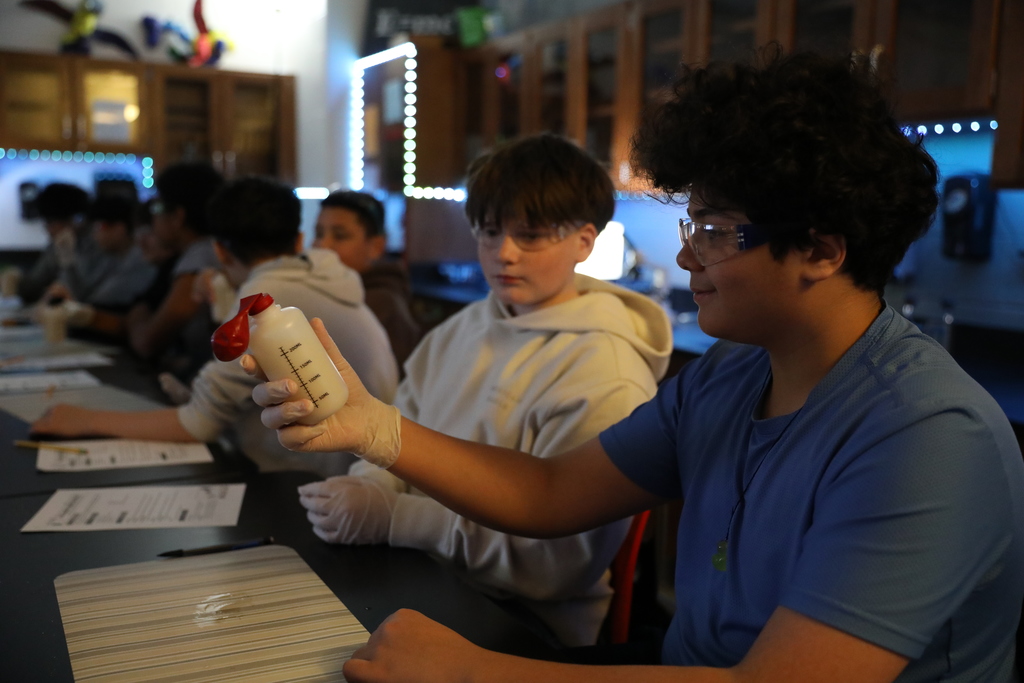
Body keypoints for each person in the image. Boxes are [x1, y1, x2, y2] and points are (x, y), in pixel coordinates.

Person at [247, 47, 1024, 682]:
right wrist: (376, 427)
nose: (686, 252)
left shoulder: (925, 436)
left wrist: (476, 672)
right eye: (694, 222)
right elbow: (550, 489)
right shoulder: (730, 375)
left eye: (716, 229)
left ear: (821, 249)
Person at [296, 133, 673, 647]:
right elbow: (396, 426)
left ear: (585, 241)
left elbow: (556, 565)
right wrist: (372, 487)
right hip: (425, 574)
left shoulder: (604, 369)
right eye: (490, 232)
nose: (504, 255)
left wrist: (398, 518)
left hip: (525, 620)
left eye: (531, 235)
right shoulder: (465, 326)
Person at [31, 176, 399, 478]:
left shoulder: (265, 298)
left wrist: (85, 418)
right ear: (300, 241)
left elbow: (199, 423)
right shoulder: (320, 280)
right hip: (373, 470)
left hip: (314, 481)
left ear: (220, 251)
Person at [124, 161, 224, 381]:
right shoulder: (210, 250)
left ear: (178, 217)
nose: (153, 218)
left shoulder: (198, 260)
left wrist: (136, 314)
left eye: (157, 208)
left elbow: (147, 343)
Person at [313, 190, 421, 369]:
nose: (322, 245)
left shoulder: (380, 303)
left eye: (340, 236)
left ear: (376, 246)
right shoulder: (330, 291)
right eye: (318, 234)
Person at [44, 195, 157, 321]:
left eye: (99, 227)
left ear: (120, 228)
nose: (94, 234)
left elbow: (92, 303)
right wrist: (68, 263)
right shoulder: (111, 258)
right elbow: (83, 295)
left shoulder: (139, 260)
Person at [17, 182, 107, 304]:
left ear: (76, 220)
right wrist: (17, 281)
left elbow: (81, 298)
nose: (48, 230)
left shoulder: (97, 246)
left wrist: (67, 262)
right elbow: (35, 284)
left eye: (51, 222)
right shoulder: (56, 246)